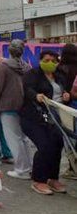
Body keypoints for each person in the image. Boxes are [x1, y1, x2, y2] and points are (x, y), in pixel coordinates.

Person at [20, 51, 69, 195]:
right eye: (47, 60)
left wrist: (66, 95)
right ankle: (38, 180)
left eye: (53, 61)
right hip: (34, 117)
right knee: (44, 145)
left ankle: (52, 178)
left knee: (57, 144)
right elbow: (26, 89)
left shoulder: (60, 76)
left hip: (56, 118)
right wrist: (36, 96)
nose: (50, 63)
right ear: (40, 60)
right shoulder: (33, 74)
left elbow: (64, 91)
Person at [0, 39, 33, 180]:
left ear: (9, 50)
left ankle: (21, 169)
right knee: (24, 139)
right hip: (24, 106)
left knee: (13, 139)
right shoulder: (27, 67)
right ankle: (30, 167)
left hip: (7, 106)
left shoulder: (4, 66)